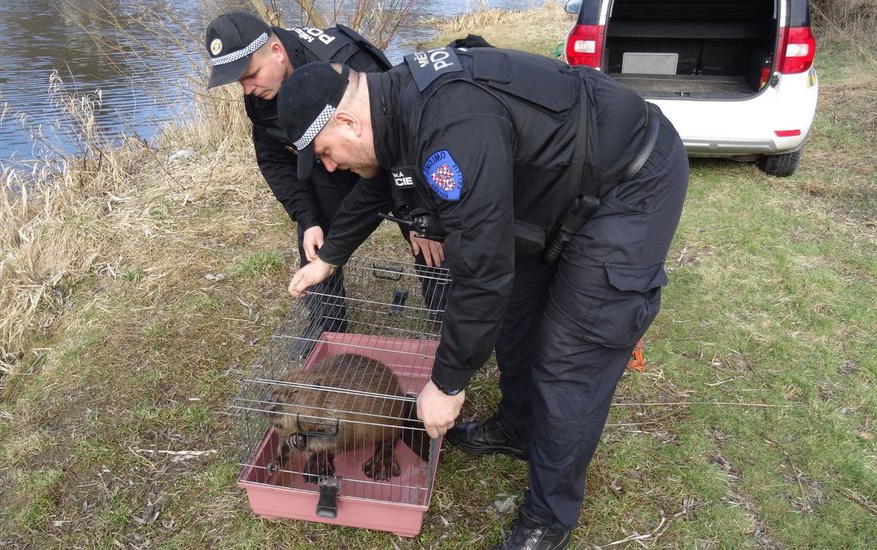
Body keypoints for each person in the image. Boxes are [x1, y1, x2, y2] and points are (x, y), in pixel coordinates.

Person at [278, 42, 688, 549]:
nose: (332, 168)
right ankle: (517, 429)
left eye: (325, 154)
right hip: (557, 182)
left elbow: (482, 267)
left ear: (347, 123)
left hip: (630, 182)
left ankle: (549, 518)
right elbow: (384, 185)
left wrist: (447, 384)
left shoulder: (451, 129)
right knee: (517, 317)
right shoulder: (395, 105)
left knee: (570, 354)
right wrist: (331, 255)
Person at [204, 12, 447, 356]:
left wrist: (420, 208)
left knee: (428, 233)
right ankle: (327, 329)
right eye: (239, 81)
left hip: (389, 156)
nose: (247, 88)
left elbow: (403, 132)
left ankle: (448, 317)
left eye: (250, 75)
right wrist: (308, 218)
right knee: (314, 239)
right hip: (325, 161)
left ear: (276, 51)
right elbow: (276, 160)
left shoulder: (348, 61)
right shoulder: (259, 94)